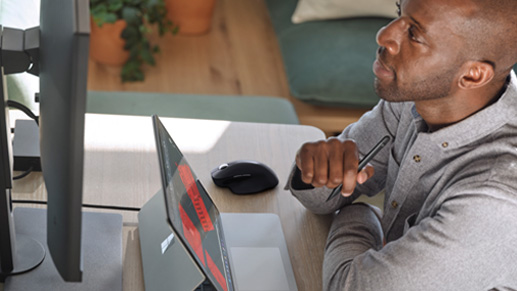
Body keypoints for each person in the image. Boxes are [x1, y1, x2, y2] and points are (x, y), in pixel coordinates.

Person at [287, 0, 517, 290]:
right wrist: (313, 166)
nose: (383, 35)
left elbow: (351, 287)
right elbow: (322, 197)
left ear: (472, 75)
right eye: (399, 12)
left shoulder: (495, 203)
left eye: (415, 35)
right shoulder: (419, 96)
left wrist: (360, 215)